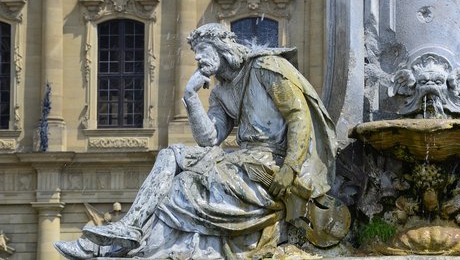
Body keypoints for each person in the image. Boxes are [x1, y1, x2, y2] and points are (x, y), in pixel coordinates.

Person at [55, 23, 337, 259]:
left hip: (270, 167)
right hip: (243, 161)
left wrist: (290, 166)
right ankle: (127, 227)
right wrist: (190, 98)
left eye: (203, 52)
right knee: (170, 154)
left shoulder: (266, 67)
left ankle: (111, 246)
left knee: (179, 188)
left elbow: (299, 116)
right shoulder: (222, 91)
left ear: (221, 47)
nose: (199, 60)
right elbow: (209, 138)